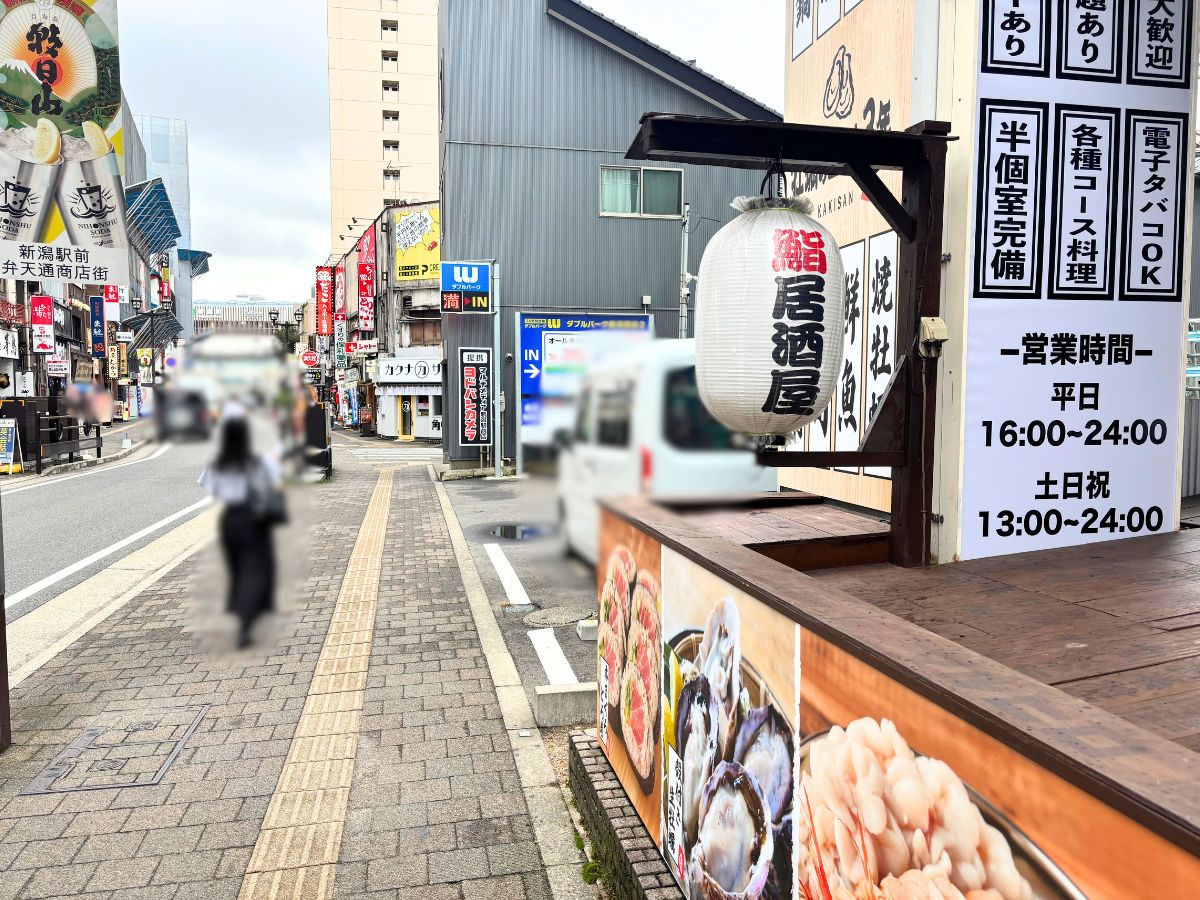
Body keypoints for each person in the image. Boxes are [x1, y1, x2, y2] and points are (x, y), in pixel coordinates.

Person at [199, 417, 283, 647]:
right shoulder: (254, 462)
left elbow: (210, 488)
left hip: (229, 520)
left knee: (236, 568)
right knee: (253, 570)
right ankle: (246, 622)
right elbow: (270, 488)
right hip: (252, 519)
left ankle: (240, 609)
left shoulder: (217, 463)